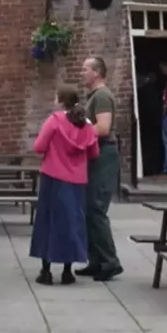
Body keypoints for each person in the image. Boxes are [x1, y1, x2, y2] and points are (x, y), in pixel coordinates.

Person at [29, 85, 99, 286]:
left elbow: (39, 147)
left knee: (48, 222)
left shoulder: (55, 121)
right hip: (77, 180)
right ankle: (68, 271)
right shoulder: (86, 124)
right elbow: (94, 153)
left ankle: (46, 271)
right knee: (72, 223)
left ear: (61, 101)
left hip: (53, 176)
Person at [76, 56, 123, 281]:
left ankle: (110, 262)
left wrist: (75, 134)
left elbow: (103, 128)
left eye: (85, 69)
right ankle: (95, 261)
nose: (81, 72)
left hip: (104, 154)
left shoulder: (103, 95)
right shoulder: (94, 96)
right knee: (88, 208)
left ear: (96, 72)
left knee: (95, 208)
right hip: (96, 155)